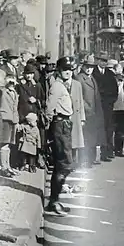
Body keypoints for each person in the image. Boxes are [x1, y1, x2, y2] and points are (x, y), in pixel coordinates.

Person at [45, 56, 78, 215]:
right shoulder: (57, 86)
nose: (68, 72)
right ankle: (54, 201)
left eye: (70, 70)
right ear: (59, 70)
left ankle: (54, 200)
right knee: (64, 164)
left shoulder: (61, 85)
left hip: (64, 124)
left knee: (63, 164)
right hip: (60, 125)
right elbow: (49, 109)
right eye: (65, 70)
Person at [75, 55, 106, 166]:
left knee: (92, 137)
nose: (89, 69)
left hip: (94, 113)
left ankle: (91, 159)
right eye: (87, 66)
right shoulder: (79, 78)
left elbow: (96, 96)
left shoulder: (92, 78)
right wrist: (87, 108)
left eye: (91, 67)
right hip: (85, 113)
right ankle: (84, 161)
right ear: (83, 66)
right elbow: (79, 97)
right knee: (85, 139)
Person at [0, 72, 20, 177]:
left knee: (9, 144)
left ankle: (8, 166)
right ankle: (4, 167)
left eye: (13, 79)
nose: (12, 82)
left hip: (13, 120)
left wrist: (17, 120)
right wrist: (6, 81)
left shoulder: (15, 92)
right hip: (5, 119)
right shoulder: (3, 91)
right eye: (9, 79)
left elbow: (15, 108)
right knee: (4, 143)